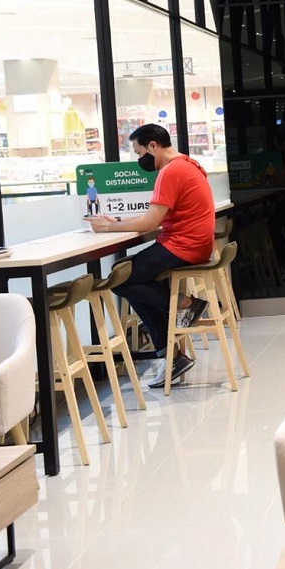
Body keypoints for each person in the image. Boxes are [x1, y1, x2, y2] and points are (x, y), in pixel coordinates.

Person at [87, 123, 215, 387]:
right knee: (133, 278)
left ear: (153, 146)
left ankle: (186, 306)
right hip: (197, 244)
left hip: (183, 245)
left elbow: (149, 223)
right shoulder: (188, 164)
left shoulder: (170, 171)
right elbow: (155, 216)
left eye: (139, 152)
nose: (139, 159)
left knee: (120, 279)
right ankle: (171, 353)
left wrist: (109, 227)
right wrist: (118, 220)